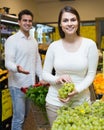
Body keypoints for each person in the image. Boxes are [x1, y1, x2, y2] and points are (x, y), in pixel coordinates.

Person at [42, 6, 99, 126]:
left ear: (78, 22)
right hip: (55, 102)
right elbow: (45, 74)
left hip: (81, 103)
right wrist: (57, 79)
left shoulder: (89, 45)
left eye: (73, 19)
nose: (69, 23)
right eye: (65, 20)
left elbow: (91, 74)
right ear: (60, 25)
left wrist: (76, 90)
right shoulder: (54, 46)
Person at [5, 9, 45, 130]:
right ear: (19, 22)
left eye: (30, 21)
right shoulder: (12, 40)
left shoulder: (33, 41)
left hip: (30, 86)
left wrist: (42, 78)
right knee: (19, 118)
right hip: (17, 85)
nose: (27, 23)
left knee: (27, 116)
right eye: (24, 20)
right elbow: (8, 62)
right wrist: (17, 68)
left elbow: (37, 61)